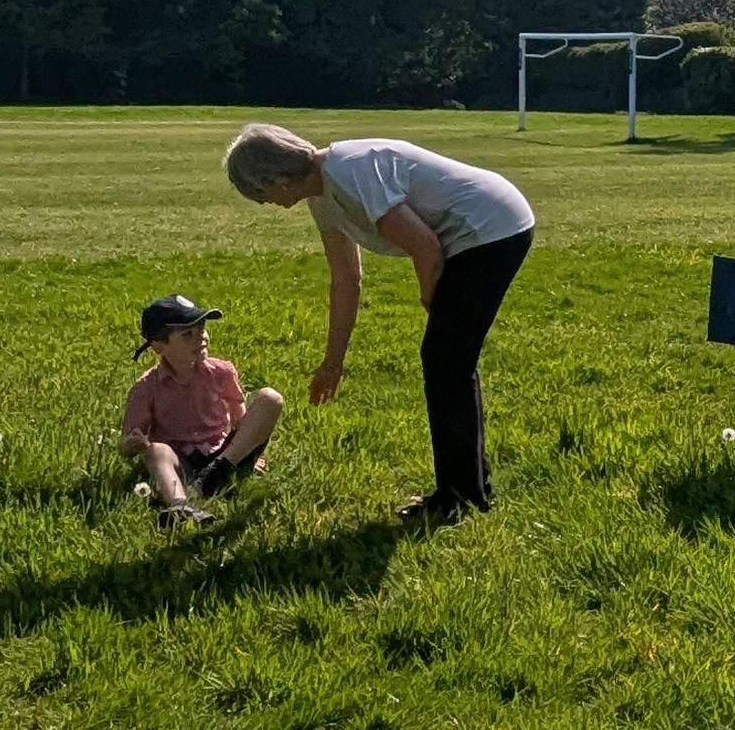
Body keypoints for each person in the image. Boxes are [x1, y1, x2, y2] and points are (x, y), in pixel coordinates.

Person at [223, 121, 535, 526]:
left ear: (273, 178)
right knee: (448, 363)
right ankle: (468, 489)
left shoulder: (349, 171)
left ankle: (458, 498)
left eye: (260, 194)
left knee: (446, 363)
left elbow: (425, 245)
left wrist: (432, 300)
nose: (265, 203)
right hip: (473, 234)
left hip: (491, 227)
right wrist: (333, 362)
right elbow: (346, 279)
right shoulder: (321, 195)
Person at [123, 294, 285, 525]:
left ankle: (218, 472)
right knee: (156, 451)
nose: (201, 337)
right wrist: (132, 444)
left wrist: (244, 449)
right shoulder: (146, 387)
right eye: (188, 334)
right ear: (159, 346)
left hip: (223, 454)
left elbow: (238, 416)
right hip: (182, 461)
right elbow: (126, 443)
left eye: (202, 329)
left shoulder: (221, 371)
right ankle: (180, 505)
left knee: (271, 398)